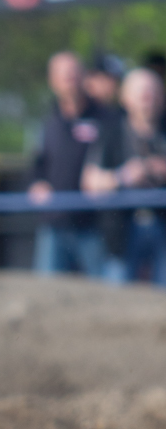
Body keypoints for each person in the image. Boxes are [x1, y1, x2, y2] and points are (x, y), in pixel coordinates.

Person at [83, 68, 166, 286]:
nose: (148, 100)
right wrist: (123, 176)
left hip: (162, 227)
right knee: (118, 294)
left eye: (153, 93)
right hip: (121, 232)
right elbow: (89, 182)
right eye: (142, 94)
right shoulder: (110, 133)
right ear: (126, 98)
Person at [29, 52, 107, 276]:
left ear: (84, 77)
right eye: (63, 75)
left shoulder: (105, 118)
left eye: (73, 73)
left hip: (93, 224)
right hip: (54, 223)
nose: (69, 80)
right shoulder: (46, 120)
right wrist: (37, 184)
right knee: (47, 288)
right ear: (52, 80)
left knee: (104, 288)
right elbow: (36, 165)